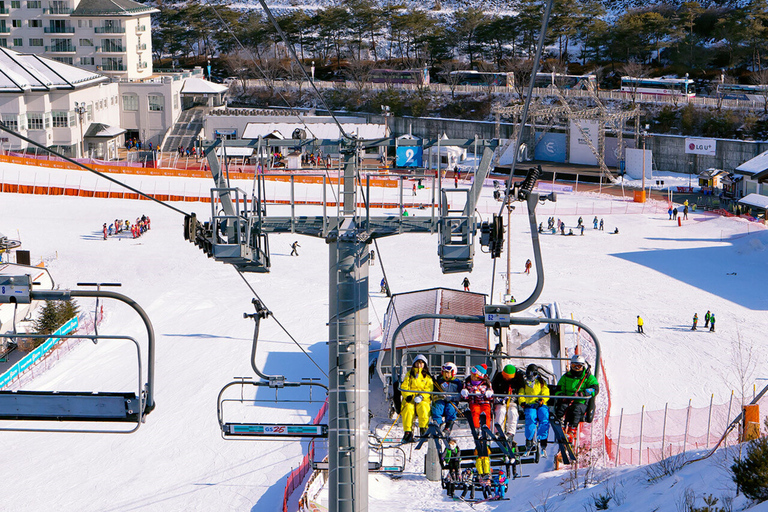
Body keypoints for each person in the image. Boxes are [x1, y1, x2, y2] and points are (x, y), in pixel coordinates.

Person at [553, 355, 599, 445]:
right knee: (562, 407)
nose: (577, 369)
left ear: (583, 366)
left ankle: (572, 431)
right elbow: (558, 389)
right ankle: (560, 426)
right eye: (574, 366)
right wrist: (562, 396)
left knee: (576, 409)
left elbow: (594, 388)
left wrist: (583, 393)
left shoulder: (588, 377)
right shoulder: (566, 377)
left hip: (580, 402)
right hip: (568, 400)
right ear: (571, 366)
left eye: (579, 366)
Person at [400, 355, 434, 443]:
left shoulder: (427, 377)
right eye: (418, 363)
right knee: (408, 408)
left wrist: (422, 396)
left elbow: (429, 388)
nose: (419, 365)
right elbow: (404, 386)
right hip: (411, 398)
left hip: (422, 399)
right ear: (414, 364)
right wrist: (407, 395)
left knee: (423, 408)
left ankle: (424, 430)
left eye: (422, 363)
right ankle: (408, 432)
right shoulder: (409, 374)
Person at [519, 364, 550, 455]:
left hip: (540, 404)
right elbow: (521, 394)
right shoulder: (524, 383)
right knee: (531, 418)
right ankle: (529, 439)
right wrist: (523, 402)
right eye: (529, 373)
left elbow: (546, 391)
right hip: (530, 404)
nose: (531, 376)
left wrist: (542, 400)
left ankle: (543, 440)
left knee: (544, 417)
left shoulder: (540, 382)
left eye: (533, 373)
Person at [492, 364, 524, 440]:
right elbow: (493, 389)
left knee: (513, 412)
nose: (506, 378)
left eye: (508, 377)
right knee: (500, 411)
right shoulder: (498, 377)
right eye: (505, 376)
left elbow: (521, 390)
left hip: (512, 401)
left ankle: (510, 432)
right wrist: (498, 398)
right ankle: (498, 430)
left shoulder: (517, 379)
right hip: (500, 401)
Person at [432, 362, 463, 435]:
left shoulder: (457, 382)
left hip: (452, 400)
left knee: (451, 409)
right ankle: (437, 423)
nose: (446, 375)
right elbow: (435, 392)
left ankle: (448, 426)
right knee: (437, 407)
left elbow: (460, 395)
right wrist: (439, 396)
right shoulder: (439, 381)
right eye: (445, 373)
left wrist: (452, 398)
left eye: (448, 373)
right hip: (441, 399)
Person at [461, 365, 493, 429]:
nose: (472, 377)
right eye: (471, 375)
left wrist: (490, 395)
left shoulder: (487, 383)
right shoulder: (467, 382)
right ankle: (476, 427)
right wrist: (464, 394)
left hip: (485, 402)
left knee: (486, 413)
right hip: (474, 402)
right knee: (475, 412)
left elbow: (491, 397)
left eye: (474, 376)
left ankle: (486, 428)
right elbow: (465, 397)